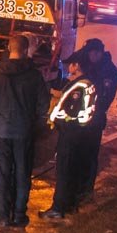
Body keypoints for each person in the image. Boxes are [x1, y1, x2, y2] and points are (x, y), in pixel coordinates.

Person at [0, 35, 49, 227]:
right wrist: (29, 119)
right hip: (24, 132)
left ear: (9, 47)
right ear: (26, 49)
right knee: (22, 172)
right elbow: (43, 105)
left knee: (2, 173)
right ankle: (19, 214)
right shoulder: (34, 75)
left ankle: (2, 215)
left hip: (1, 131)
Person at [40, 55, 97, 219]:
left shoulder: (79, 88)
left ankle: (58, 208)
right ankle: (70, 204)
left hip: (70, 135)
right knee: (72, 170)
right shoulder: (86, 83)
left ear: (77, 65)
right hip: (78, 135)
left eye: (70, 65)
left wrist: (59, 121)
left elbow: (71, 112)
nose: (67, 68)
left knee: (64, 171)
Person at [73, 38, 117, 200]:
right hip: (81, 118)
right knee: (78, 153)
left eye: (92, 53)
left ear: (99, 52)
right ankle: (78, 186)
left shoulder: (109, 72)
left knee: (89, 154)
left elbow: (103, 98)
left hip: (95, 118)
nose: (90, 56)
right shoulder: (90, 64)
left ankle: (86, 190)